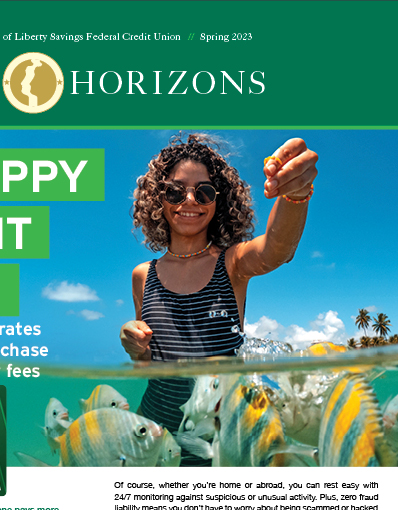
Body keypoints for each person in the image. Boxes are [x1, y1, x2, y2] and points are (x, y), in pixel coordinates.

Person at [120, 133, 318, 465]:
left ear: (219, 201)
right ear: (158, 199)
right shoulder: (142, 275)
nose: (190, 200)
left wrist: (295, 194)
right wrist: (133, 342)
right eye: (175, 191)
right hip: (151, 437)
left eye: (204, 191)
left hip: (219, 442)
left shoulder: (232, 264)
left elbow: (276, 249)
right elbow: (147, 363)